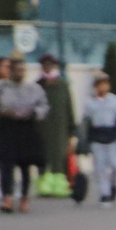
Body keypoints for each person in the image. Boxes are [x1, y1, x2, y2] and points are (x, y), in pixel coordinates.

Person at [0, 56, 47, 213]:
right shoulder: (0, 86)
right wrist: (0, 111)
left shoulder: (33, 88)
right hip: (7, 127)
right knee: (6, 164)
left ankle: (24, 198)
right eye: (17, 70)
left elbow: (43, 106)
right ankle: (7, 198)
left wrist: (32, 114)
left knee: (25, 165)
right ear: (10, 71)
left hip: (26, 128)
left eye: (22, 70)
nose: (20, 73)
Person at [80, 71, 116, 208]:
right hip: (97, 136)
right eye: (100, 84)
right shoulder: (90, 103)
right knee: (100, 166)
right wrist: (83, 140)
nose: (103, 87)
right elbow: (86, 122)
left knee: (115, 164)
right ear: (95, 86)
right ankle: (105, 193)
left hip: (112, 135)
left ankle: (113, 184)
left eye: (105, 84)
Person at [38, 55, 75, 204]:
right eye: (44, 64)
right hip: (42, 129)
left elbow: (69, 109)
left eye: (50, 64)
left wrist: (72, 133)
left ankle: (60, 185)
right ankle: (44, 186)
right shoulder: (38, 85)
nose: (47, 67)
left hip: (60, 129)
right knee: (43, 157)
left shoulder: (62, 85)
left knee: (59, 156)